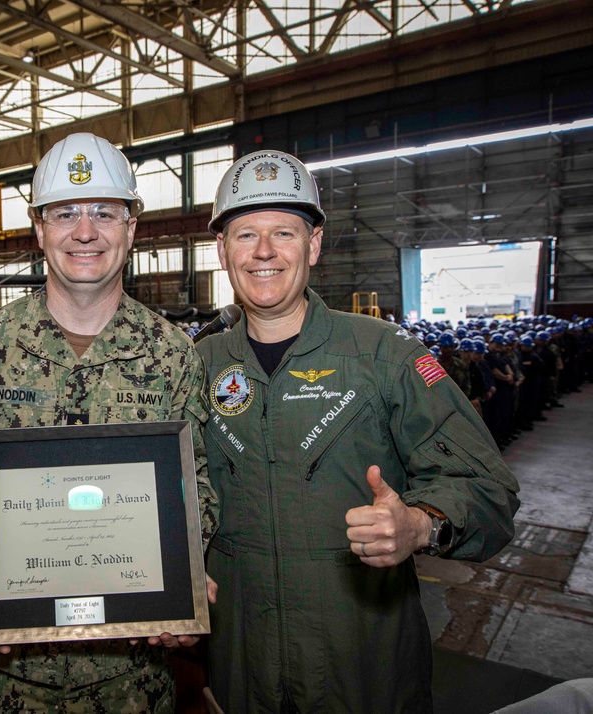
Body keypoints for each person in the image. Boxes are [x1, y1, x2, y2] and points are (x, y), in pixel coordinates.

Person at [197, 150, 520, 713]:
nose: (265, 251)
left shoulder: (384, 357)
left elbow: (490, 492)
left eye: (285, 233)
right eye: (245, 233)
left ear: (314, 245)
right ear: (223, 250)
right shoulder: (193, 366)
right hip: (240, 667)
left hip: (364, 668)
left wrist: (421, 525)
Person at [0, 132, 219, 712]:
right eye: (65, 213)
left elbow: (199, 485)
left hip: (132, 679)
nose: (85, 231)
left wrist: (186, 567)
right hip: (4, 677)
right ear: (39, 229)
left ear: (131, 227)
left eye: (104, 213)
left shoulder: (171, 354)